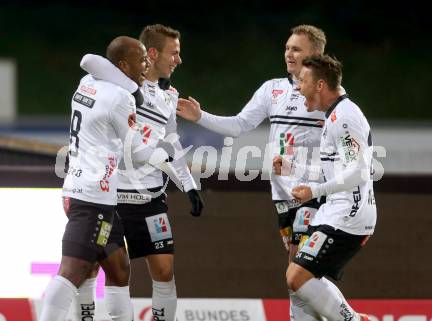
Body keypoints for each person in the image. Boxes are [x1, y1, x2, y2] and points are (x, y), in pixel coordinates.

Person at [176, 25, 341, 320]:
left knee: (299, 270)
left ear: (315, 55)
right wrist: (200, 117)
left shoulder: (328, 93)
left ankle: (348, 316)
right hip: (282, 196)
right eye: (288, 47)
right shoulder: (272, 89)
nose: (289, 53)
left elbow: (342, 145)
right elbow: (239, 125)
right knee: (300, 276)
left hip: (313, 193)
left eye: (297, 49)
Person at [76, 24, 204, 321]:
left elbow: (171, 142)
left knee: (164, 271)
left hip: (150, 197)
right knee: (99, 269)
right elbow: (88, 61)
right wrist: (134, 89)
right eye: (174, 53)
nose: (179, 60)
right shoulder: (119, 82)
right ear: (154, 53)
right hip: (112, 195)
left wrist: (189, 186)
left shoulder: (170, 96)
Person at [38, 36, 170, 321]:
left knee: (119, 269)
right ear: (123, 65)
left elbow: (89, 60)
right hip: (92, 197)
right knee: (73, 271)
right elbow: (134, 150)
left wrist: (131, 86)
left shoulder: (87, 83)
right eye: (141, 59)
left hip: (85, 191)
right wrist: (166, 160)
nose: (147, 64)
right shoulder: (120, 98)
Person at [286, 54, 376, 321]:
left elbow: (357, 173)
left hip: (349, 216)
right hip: (336, 212)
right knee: (298, 284)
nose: (298, 87)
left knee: (297, 276)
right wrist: (295, 169)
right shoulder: (336, 114)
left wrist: (314, 192)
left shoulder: (345, 118)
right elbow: (337, 171)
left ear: (320, 85)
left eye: (303, 81)